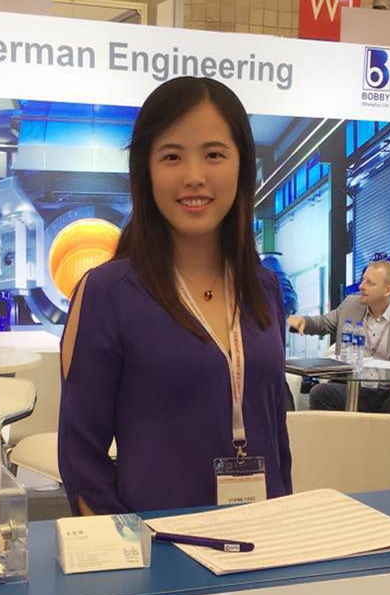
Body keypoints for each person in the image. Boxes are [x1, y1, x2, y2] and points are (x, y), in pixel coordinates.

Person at [58, 77, 292, 515]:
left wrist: (284, 525)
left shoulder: (263, 288)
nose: (194, 177)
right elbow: (81, 461)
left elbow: (276, 434)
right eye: (171, 156)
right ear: (145, 170)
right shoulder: (107, 293)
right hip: (159, 545)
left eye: (214, 154)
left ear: (242, 166)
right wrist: (130, 548)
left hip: (264, 536)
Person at [287, 261, 390, 414]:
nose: (362, 286)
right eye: (363, 280)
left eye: (370, 283)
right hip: (354, 387)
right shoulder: (351, 304)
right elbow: (324, 323)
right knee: (320, 393)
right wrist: (304, 322)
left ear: (388, 290)